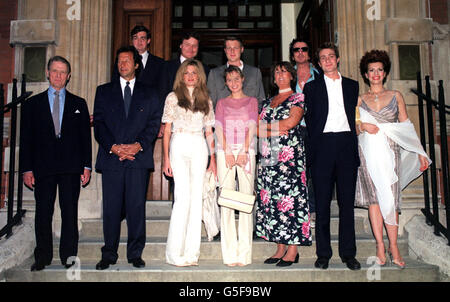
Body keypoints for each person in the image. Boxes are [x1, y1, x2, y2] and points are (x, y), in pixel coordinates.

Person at [355, 49, 430, 268]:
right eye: (371, 70)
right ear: (366, 74)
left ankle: (394, 245)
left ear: (385, 73)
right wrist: (362, 126)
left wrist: (420, 152)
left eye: (379, 69)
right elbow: (352, 128)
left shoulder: (396, 95)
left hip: (391, 153)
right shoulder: (359, 99)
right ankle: (380, 246)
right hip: (367, 155)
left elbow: (406, 127)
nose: (376, 73)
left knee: (391, 199)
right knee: (374, 202)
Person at [20, 56, 92, 271]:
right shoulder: (32, 104)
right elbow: (26, 139)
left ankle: (69, 257)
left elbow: (84, 139)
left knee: (69, 212)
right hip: (43, 167)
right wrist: (27, 168)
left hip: (71, 167)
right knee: (43, 212)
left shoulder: (79, 103)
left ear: (68, 76)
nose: (58, 75)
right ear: (47, 73)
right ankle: (42, 257)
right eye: (54, 71)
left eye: (62, 72)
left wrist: (86, 166)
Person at [93, 46, 162, 270]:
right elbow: (100, 124)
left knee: (135, 207)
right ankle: (109, 253)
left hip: (137, 159)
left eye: (127, 61)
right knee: (111, 209)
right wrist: (114, 147)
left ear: (136, 65)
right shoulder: (103, 91)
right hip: (112, 158)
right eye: (119, 61)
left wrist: (138, 146)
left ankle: (135, 253)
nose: (123, 64)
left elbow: (153, 124)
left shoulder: (150, 93)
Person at [303, 42, 361, 271]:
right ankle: (323, 254)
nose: (327, 60)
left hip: (346, 144)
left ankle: (349, 254)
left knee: (347, 204)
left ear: (338, 59)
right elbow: (309, 124)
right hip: (323, 146)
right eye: (323, 58)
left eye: (331, 56)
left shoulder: (352, 86)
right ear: (318, 63)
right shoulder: (311, 88)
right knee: (323, 205)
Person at [255, 62, 311, 267]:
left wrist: (268, 128)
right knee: (272, 200)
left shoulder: (298, 98)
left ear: (291, 76)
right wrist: (275, 131)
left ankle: (292, 249)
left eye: (284, 71)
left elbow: (291, 123)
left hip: (289, 158)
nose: (279, 75)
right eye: (276, 71)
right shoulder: (266, 102)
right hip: (268, 157)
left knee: (290, 200)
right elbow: (256, 130)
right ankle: (279, 247)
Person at [162, 59, 216, 267]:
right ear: (181, 76)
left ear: (199, 76)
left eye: (194, 73)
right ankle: (175, 254)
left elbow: (209, 132)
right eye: (187, 73)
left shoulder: (206, 99)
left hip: (199, 145)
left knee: (196, 201)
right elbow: (167, 130)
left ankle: (192, 253)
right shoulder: (173, 97)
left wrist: (212, 160)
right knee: (182, 198)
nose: (191, 76)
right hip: (179, 144)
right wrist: (166, 158)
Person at [215, 66, 258, 267]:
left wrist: (242, 150)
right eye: (229, 80)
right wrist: (228, 151)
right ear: (226, 82)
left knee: (246, 202)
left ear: (243, 79)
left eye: (236, 78)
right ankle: (230, 254)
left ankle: (244, 254)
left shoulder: (252, 101)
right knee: (227, 202)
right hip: (225, 153)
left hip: (246, 152)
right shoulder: (221, 103)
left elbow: (252, 125)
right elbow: (219, 127)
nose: (233, 82)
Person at [289, 38, 321, 227]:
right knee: (295, 171)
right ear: (292, 54)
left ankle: (313, 209)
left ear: (309, 53)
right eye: (296, 50)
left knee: (314, 171)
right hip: (293, 129)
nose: (300, 52)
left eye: (304, 49)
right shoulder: (287, 75)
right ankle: (296, 207)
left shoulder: (320, 76)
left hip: (315, 129)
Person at [207, 36, 265, 109]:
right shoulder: (214, 74)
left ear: (242, 49)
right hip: (222, 118)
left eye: (235, 48)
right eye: (229, 48)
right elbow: (210, 104)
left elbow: (261, 101)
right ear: (225, 50)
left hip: (249, 119)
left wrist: (252, 117)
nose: (232, 51)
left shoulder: (255, 72)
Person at [161, 32, 210, 104]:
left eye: (195, 46)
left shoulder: (205, 69)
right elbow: (162, 92)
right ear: (181, 45)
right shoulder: (166, 67)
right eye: (187, 45)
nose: (191, 49)